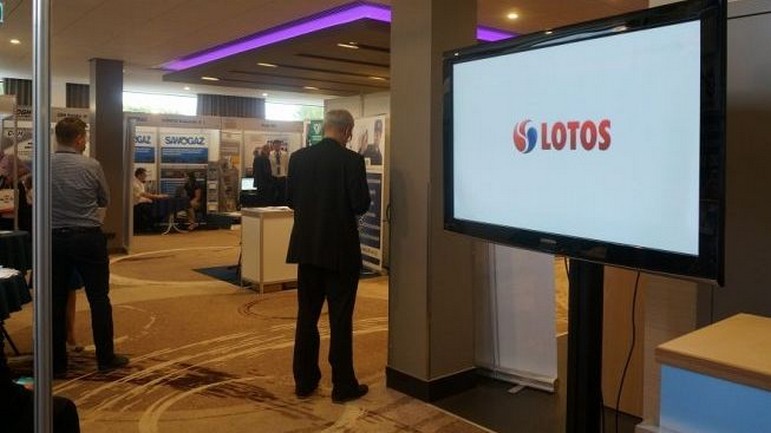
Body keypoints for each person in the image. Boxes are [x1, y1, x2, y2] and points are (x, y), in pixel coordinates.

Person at [286, 109, 371, 403]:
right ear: (347, 131)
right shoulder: (352, 161)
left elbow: (290, 199)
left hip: (307, 249)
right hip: (340, 252)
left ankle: (304, 380)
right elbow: (360, 204)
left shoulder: (298, 158)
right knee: (340, 319)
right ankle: (343, 385)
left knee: (306, 316)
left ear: (325, 128)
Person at [51, 116, 128, 377]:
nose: (85, 142)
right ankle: (106, 358)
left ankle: (56, 363)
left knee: (56, 300)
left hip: (53, 239)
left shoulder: (43, 164)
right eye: (84, 137)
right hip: (88, 238)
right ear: (79, 139)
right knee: (99, 298)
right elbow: (104, 198)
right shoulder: (91, 165)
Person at [132, 167, 166, 232]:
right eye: (144, 175)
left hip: (139, 204)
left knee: (157, 207)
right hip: (136, 205)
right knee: (156, 209)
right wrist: (157, 196)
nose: (146, 177)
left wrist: (147, 199)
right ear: (139, 175)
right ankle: (150, 226)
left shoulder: (140, 183)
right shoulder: (134, 183)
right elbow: (142, 194)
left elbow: (141, 195)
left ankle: (151, 226)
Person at [269, 140, 289, 205]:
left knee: (282, 194)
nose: (277, 146)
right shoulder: (270, 154)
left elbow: (287, 165)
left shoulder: (285, 154)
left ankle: (282, 206)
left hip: (282, 176)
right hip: (273, 176)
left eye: (278, 145)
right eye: (275, 145)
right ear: (273, 146)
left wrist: (286, 175)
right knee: (273, 194)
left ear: (280, 145)